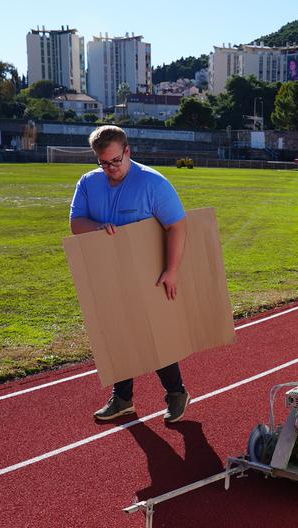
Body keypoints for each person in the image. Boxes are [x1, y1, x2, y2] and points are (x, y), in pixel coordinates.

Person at [70, 125, 191, 423]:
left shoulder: (154, 183)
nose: (110, 168)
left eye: (115, 161)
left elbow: (177, 226)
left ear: (128, 152)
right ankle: (122, 398)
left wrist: (171, 270)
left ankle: (176, 393)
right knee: (116, 336)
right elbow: (76, 224)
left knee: (152, 337)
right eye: (103, 162)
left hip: (148, 274)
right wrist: (96, 228)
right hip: (107, 276)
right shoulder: (88, 183)